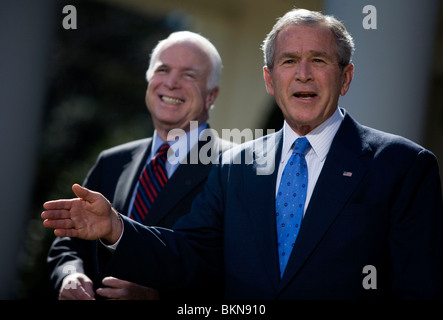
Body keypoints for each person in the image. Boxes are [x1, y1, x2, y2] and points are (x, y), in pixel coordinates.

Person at [42, 8, 443, 299]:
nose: (303, 73)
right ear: (270, 79)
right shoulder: (235, 167)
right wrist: (117, 227)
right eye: (289, 61)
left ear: (346, 76)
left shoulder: (403, 166)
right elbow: (191, 255)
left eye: (318, 60)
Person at [46, 31, 232, 300]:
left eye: (189, 75)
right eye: (163, 69)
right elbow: (69, 243)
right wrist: (70, 275)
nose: (171, 82)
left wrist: (158, 297)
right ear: (149, 80)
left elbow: (231, 271)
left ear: (211, 95)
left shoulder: (234, 168)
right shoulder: (112, 161)